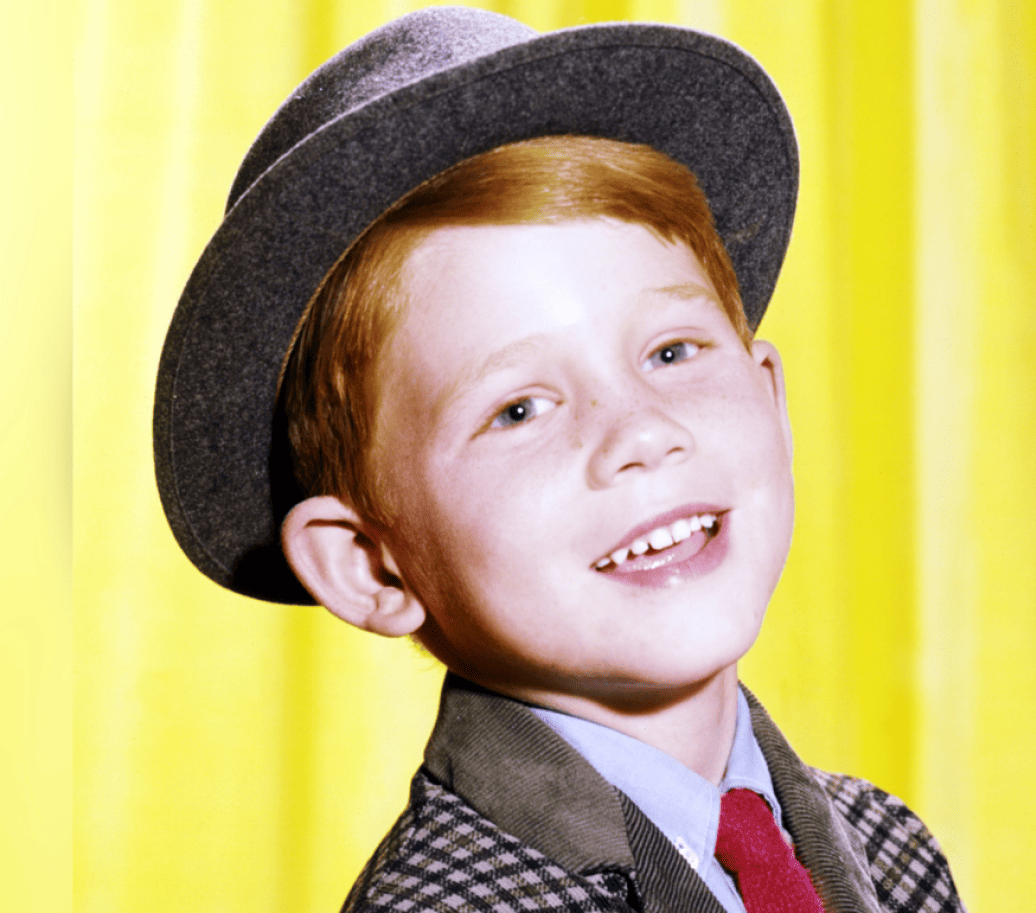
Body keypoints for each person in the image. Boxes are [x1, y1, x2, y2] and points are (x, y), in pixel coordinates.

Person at [154, 7, 966, 912]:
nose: (639, 432)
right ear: (370, 562)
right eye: (519, 408)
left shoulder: (890, 851)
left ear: (770, 397)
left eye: (671, 352)